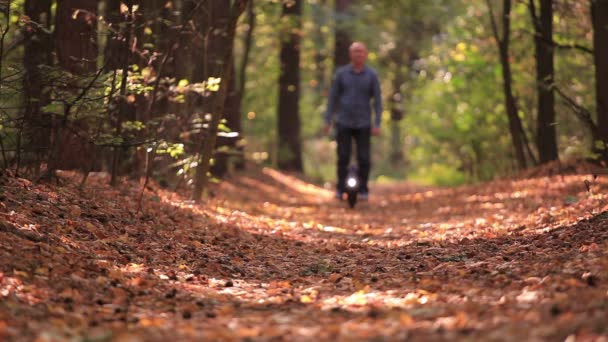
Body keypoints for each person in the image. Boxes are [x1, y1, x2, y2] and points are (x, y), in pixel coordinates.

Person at [323, 42, 383, 200]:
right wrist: (327, 119)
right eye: (355, 52)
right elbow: (333, 98)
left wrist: (377, 123)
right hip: (343, 121)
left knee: (364, 158)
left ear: (366, 54)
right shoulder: (341, 74)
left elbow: (377, 100)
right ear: (350, 54)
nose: (358, 54)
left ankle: (363, 189)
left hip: (364, 123)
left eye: (361, 52)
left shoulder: (371, 75)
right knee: (342, 157)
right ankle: (340, 188)